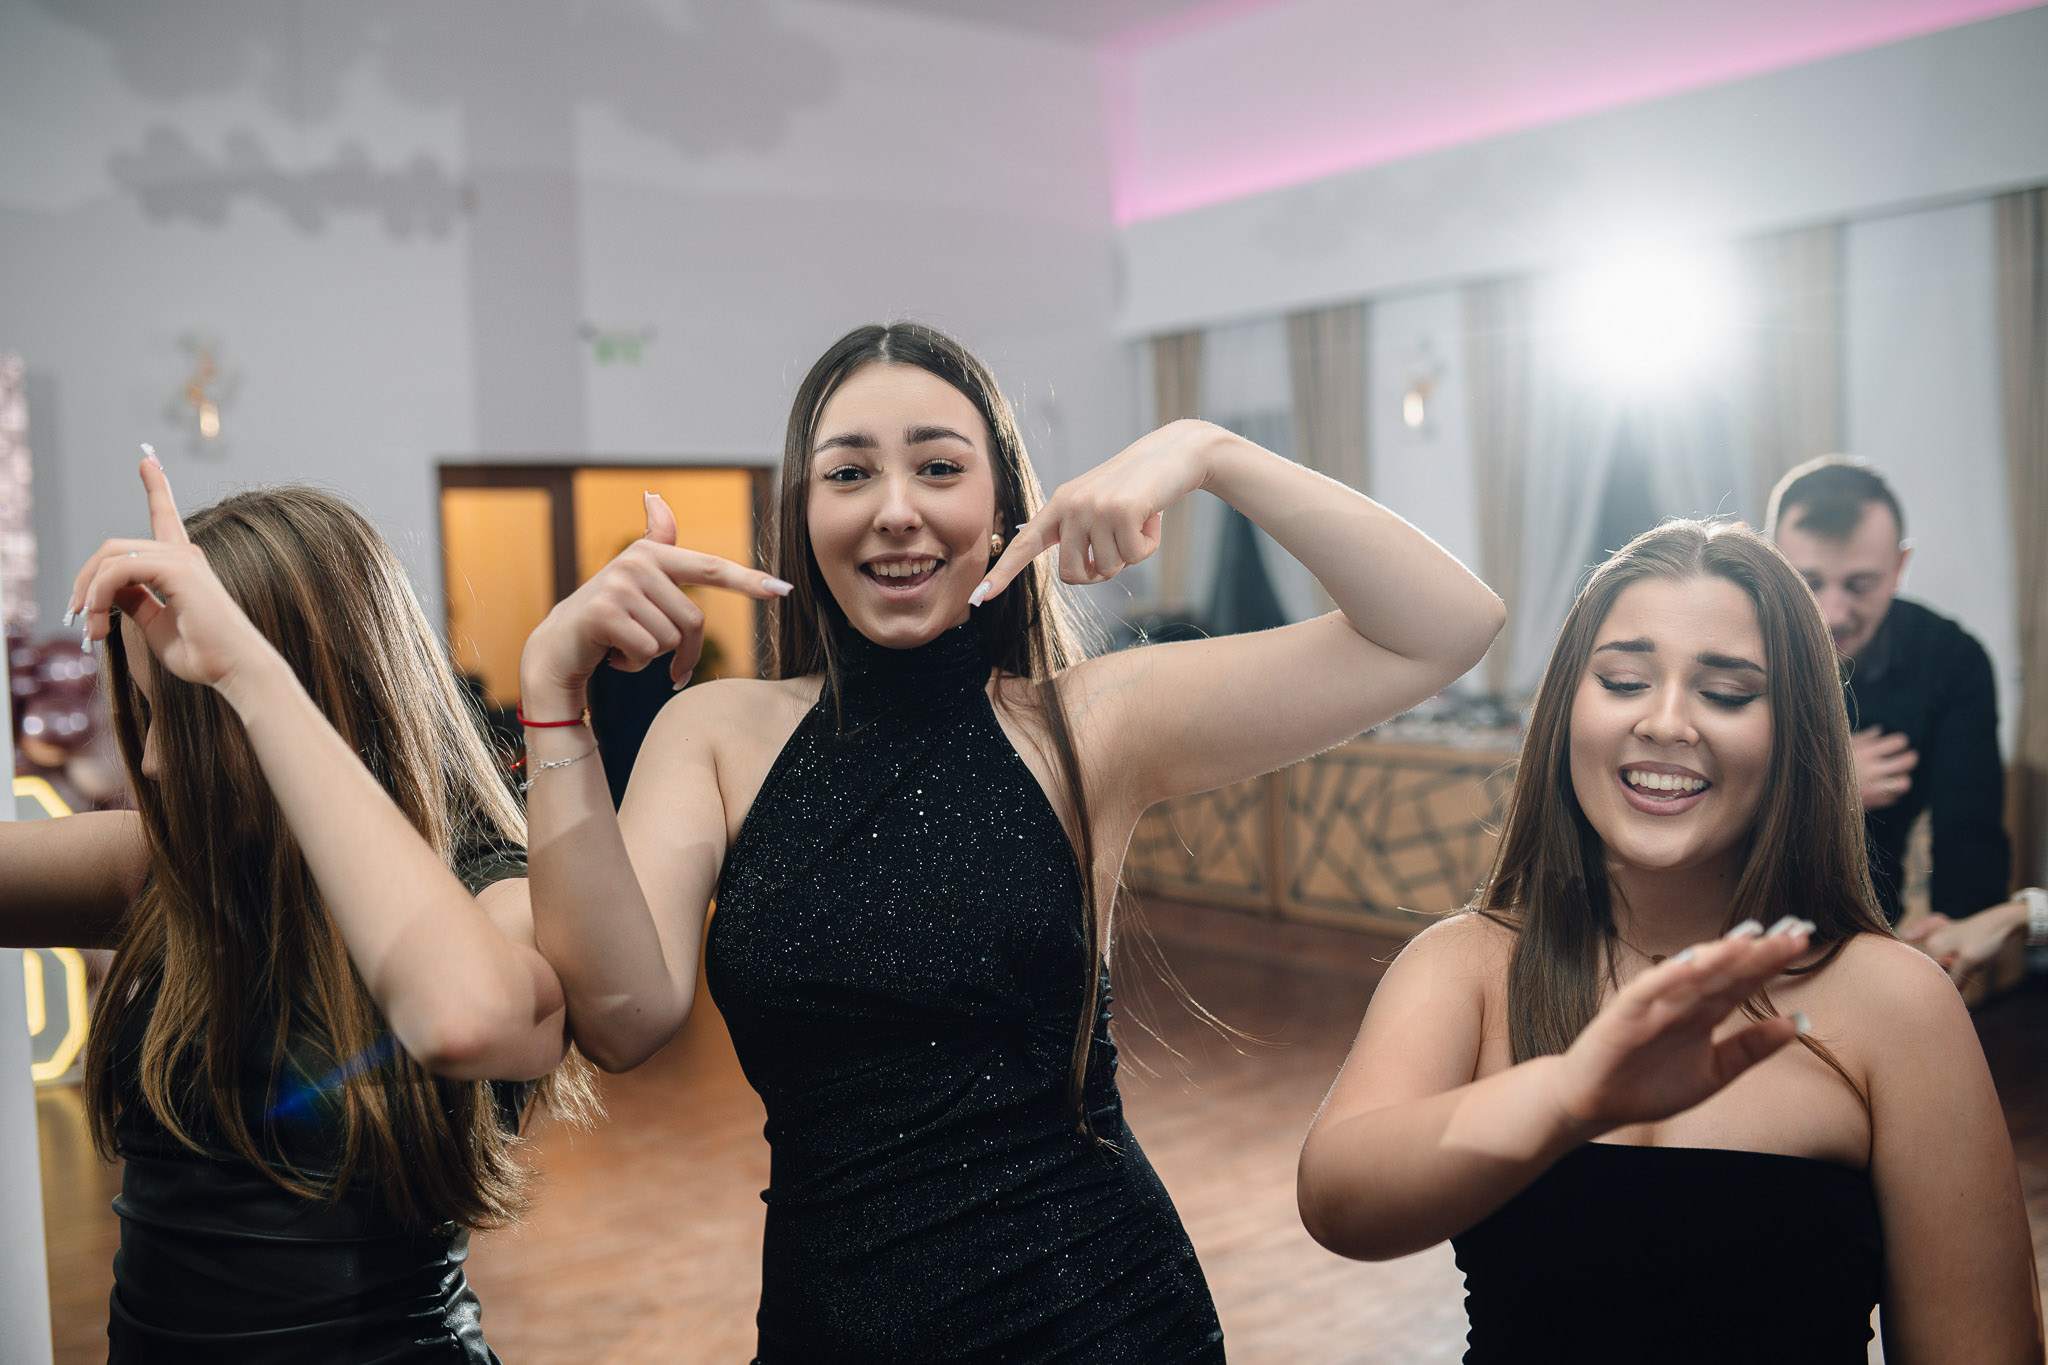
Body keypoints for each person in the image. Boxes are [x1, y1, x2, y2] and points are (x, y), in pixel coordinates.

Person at [517, 321, 1504, 1363]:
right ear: (803, 515)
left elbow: (1443, 626)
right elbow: (622, 1020)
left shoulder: (1088, 726)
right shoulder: (713, 734)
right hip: (828, 1327)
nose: (896, 509)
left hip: (1101, 1319)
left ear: (1001, 511)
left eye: (939, 467)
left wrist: (1208, 450)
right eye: (849, 472)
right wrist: (552, 693)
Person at [1296, 520, 2042, 1364]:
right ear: (1567, 706)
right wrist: (1569, 1096)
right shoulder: (1464, 966)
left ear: (1796, 732)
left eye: (1726, 693)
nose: (1666, 721)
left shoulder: (1898, 1002)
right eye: (1624, 680)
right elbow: (1337, 1203)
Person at [9, 455, 591, 1363]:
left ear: (316, 695)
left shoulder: (488, 886)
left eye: (189, 718)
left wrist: (247, 672)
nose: (152, 761)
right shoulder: (176, 868)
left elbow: (468, 1018)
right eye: (150, 716)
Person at [1764, 457, 2018, 930]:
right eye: (1808, 583)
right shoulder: (1732, 642)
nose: (1832, 613)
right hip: (1731, 918)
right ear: (1773, 563)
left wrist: (1956, 934)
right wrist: (1830, 786)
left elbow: (1970, 833)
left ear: (1900, 567)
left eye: (1860, 585)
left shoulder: (1949, 659)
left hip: (1872, 926)